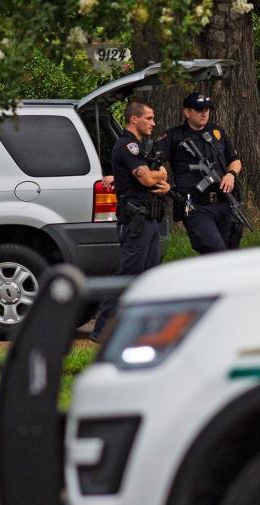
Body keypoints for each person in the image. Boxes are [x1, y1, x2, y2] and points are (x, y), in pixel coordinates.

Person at [90, 100, 170, 341]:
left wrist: (163, 185)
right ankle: (102, 329)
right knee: (128, 275)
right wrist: (162, 174)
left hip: (150, 219)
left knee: (149, 277)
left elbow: (149, 181)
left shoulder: (140, 146)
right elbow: (145, 179)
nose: (153, 123)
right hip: (135, 221)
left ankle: (143, 329)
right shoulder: (128, 146)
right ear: (134, 118)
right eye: (149, 118)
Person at [157, 92, 242, 254]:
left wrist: (231, 174)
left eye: (207, 109)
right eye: (199, 110)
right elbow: (154, 161)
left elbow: (235, 160)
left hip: (224, 202)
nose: (204, 113)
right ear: (187, 112)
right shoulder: (175, 136)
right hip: (196, 206)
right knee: (215, 251)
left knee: (230, 254)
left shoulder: (217, 132)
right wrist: (165, 182)